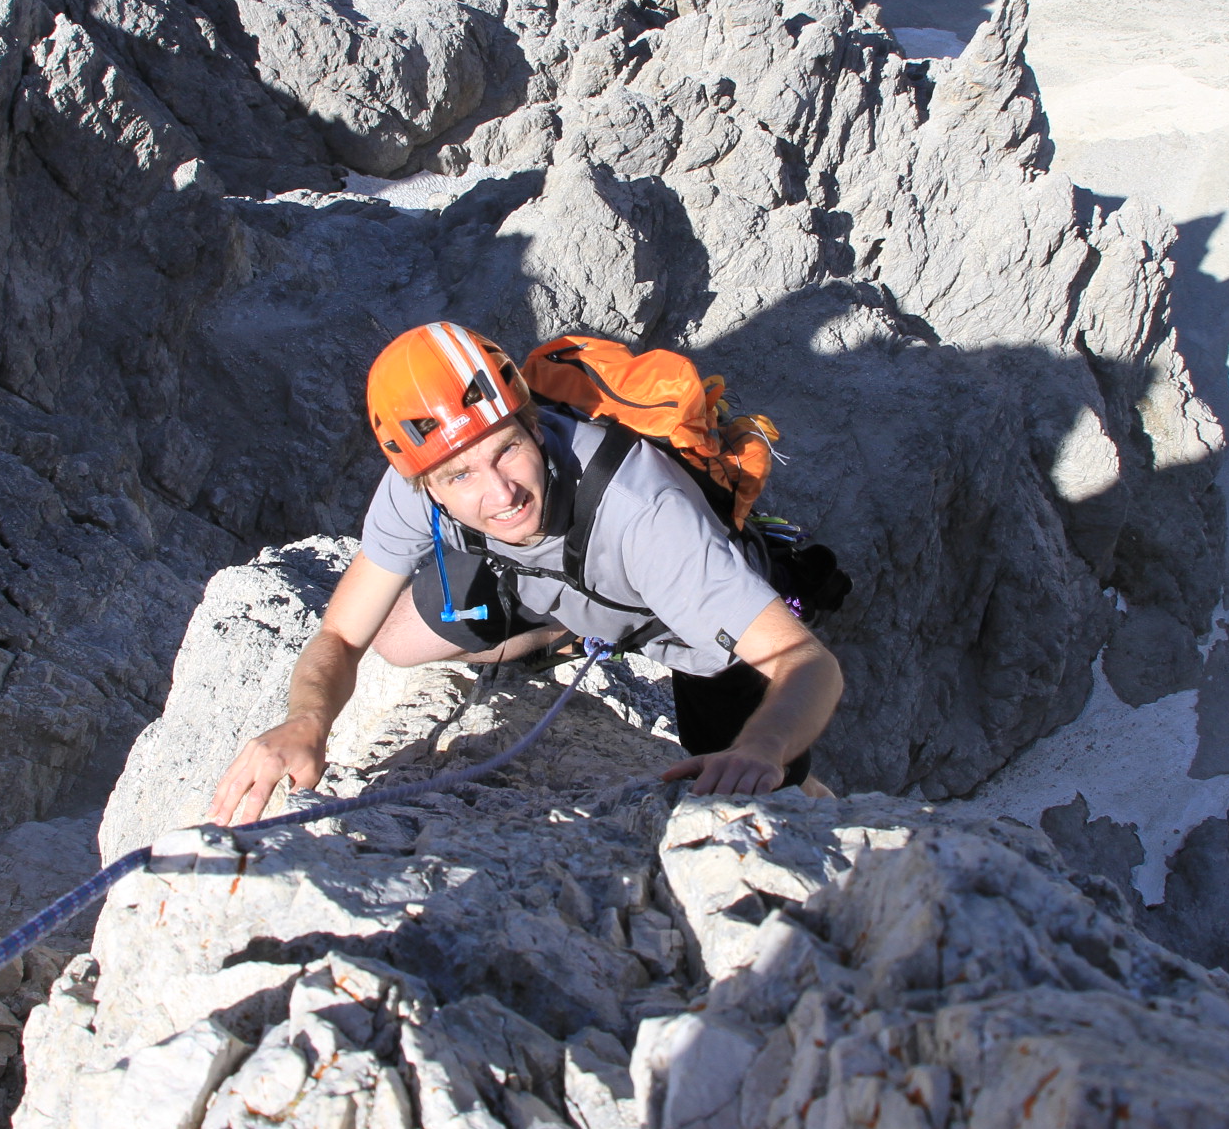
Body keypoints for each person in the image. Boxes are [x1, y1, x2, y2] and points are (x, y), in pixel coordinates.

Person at [208, 321, 843, 826]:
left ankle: (816, 793)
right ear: (424, 482)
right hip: (548, 579)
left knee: (763, 787)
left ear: (534, 426)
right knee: (396, 641)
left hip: (677, 615)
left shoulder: (643, 513)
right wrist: (306, 722)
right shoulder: (419, 481)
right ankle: (564, 631)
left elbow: (806, 663)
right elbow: (342, 636)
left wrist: (763, 748)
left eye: (508, 449)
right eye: (460, 476)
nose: (501, 494)